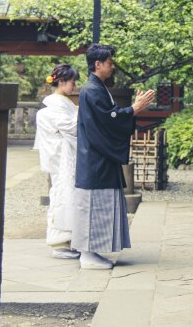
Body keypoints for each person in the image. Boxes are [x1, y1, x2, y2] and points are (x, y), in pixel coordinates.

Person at [72, 44, 155, 269]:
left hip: (99, 158)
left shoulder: (97, 88)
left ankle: (93, 251)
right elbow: (109, 119)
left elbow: (110, 117)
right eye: (109, 62)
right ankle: (87, 254)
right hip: (95, 160)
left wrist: (130, 110)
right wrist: (134, 109)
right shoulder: (91, 90)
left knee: (100, 207)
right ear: (97, 64)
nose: (112, 66)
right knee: (93, 207)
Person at [33, 63, 81, 259]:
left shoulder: (63, 104)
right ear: (61, 82)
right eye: (72, 82)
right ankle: (59, 242)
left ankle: (69, 239)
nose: (74, 86)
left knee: (69, 196)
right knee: (62, 196)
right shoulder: (53, 107)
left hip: (67, 157)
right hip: (62, 159)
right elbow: (71, 127)